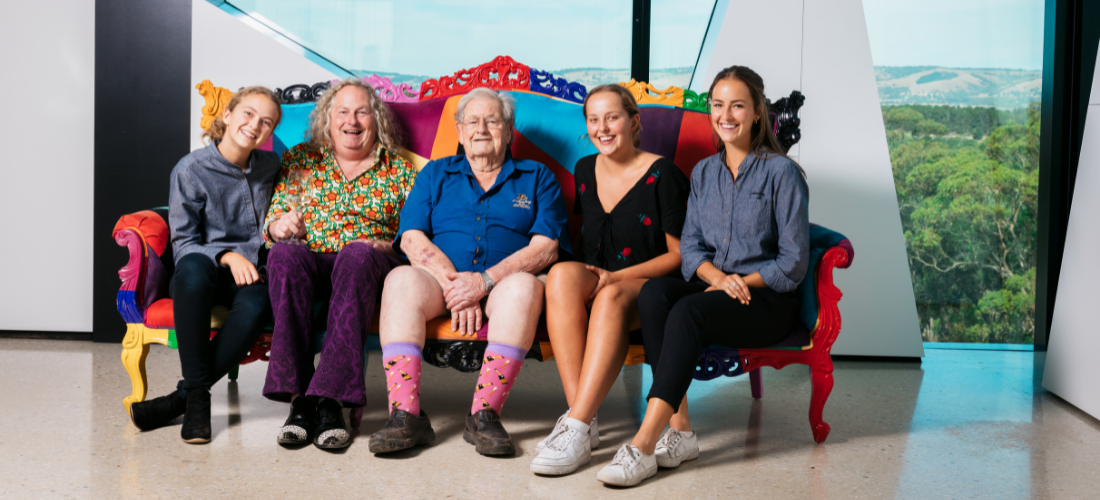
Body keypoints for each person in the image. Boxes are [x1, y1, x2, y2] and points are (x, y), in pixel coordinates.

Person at [596, 66, 810, 487]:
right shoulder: (704, 173)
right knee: (655, 293)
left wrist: (739, 283)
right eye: (717, 105)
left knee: (689, 310)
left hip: (766, 300)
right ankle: (683, 433)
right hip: (717, 289)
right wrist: (717, 278)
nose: (725, 114)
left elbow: (793, 262)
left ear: (756, 113)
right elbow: (691, 249)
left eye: (737, 106)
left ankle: (642, 444)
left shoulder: (781, 173)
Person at [367, 88, 568, 457]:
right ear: (459, 130)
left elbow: (546, 248)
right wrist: (457, 286)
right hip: (438, 282)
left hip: (504, 284)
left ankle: (484, 414)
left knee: (525, 288)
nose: (481, 129)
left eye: (492, 121)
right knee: (399, 280)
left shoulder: (538, 177)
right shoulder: (435, 173)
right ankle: (405, 415)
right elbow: (411, 237)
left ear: (508, 130)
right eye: (472, 121)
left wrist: (484, 282)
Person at [530, 84, 689, 475]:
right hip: (600, 277)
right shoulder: (585, 169)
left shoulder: (663, 173)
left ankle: (578, 422)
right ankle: (582, 422)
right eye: (594, 119)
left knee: (610, 296)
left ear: (633, 122)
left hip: (646, 284)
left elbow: (679, 256)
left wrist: (615, 276)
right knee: (561, 275)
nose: (603, 127)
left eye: (612, 117)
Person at [261, 77, 416, 450]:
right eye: (342, 112)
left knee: (357, 254)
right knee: (284, 254)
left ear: (377, 120)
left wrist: (382, 244)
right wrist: (279, 225)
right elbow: (275, 218)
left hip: (366, 264)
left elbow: (414, 240)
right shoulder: (300, 158)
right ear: (327, 121)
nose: (353, 120)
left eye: (362, 111)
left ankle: (330, 402)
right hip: (310, 259)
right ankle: (300, 401)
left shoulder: (400, 171)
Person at [128, 86, 283, 444]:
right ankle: (198, 402)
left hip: (250, 272)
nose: (254, 125)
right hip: (201, 270)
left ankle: (186, 397)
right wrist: (227, 255)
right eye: (247, 114)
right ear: (227, 115)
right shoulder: (191, 169)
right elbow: (184, 242)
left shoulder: (271, 166)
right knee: (195, 271)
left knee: (259, 300)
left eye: (266, 122)